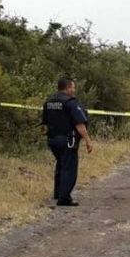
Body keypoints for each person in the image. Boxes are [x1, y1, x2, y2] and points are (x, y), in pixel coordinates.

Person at [41, 77, 93, 206]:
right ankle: (64, 198)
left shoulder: (49, 102)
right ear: (68, 87)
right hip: (68, 140)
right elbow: (79, 124)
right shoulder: (70, 102)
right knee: (69, 168)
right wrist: (88, 140)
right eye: (73, 87)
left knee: (61, 165)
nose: (74, 90)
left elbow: (44, 125)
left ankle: (58, 193)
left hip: (53, 140)